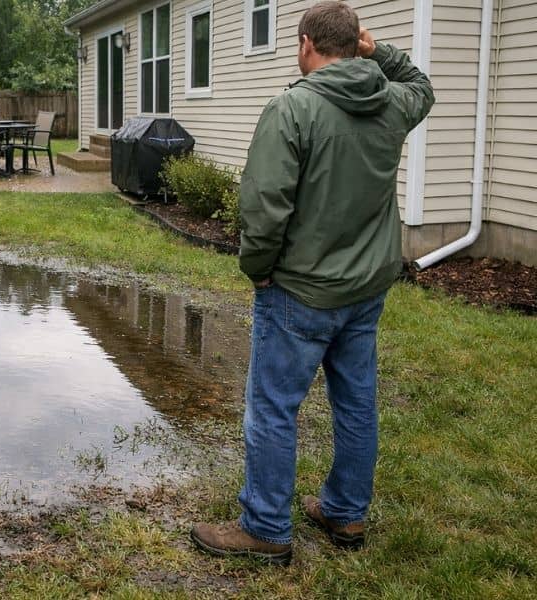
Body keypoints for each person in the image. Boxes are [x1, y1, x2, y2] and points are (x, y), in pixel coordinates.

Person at [189, 1, 434, 566]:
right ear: (355, 45)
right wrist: (381, 53)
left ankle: (266, 528)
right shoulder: (392, 102)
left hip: (299, 291)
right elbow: (421, 83)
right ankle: (346, 513)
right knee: (355, 402)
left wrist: (258, 268)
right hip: (366, 289)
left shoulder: (293, 108)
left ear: (305, 44)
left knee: (273, 406)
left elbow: (263, 204)